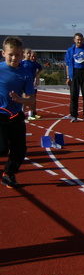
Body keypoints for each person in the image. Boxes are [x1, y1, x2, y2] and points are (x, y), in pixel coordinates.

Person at [0, 36, 34, 188]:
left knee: (20, 149)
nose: (14, 58)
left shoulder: (26, 73)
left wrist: (20, 99)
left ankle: (8, 174)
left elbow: (31, 100)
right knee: (1, 149)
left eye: (17, 55)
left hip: (15, 115)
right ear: (3, 53)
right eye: (10, 55)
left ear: (22, 55)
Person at [21, 48, 43, 120]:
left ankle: (31, 114)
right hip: (24, 83)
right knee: (24, 99)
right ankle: (22, 113)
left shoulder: (33, 63)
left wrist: (36, 75)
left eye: (29, 53)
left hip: (31, 83)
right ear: (24, 54)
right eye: (27, 53)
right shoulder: (21, 63)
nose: (29, 55)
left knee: (31, 99)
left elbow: (39, 69)